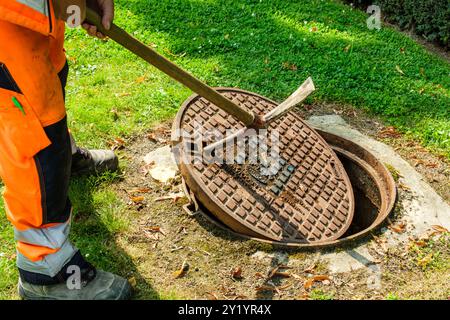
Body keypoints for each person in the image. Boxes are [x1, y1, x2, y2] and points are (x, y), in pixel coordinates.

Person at [0, 0, 132, 300]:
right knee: (31, 117)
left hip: (33, 10)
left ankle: (63, 160)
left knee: (51, 70)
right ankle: (46, 270)